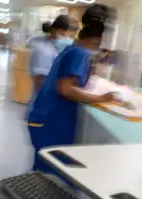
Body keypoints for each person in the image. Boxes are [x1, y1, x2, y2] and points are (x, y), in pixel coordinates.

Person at [27, 4, 117, 174]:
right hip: (51, 123)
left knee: (44, 171)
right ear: (98, 39)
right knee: (50, 176)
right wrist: (101, 99)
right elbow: (66, 89)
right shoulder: (79, 54)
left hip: (44, 118)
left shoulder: (74, 50)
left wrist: (97, 59)